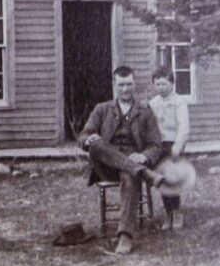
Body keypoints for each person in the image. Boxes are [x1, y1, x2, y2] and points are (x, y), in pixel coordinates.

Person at [78, 65, 166, 255]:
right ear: (114, 86)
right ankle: (144, 173)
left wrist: (144, 156)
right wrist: (87, 140)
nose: (125, 89)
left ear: (134, 85)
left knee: (130, 175)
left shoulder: (145, 111)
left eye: (129, 84)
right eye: (121, 85)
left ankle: (125, 236)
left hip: (130, 166)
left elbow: (156, 144)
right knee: (96, 145)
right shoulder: (102, 109)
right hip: (106, 166)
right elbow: (83, 136)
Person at [148, 66, 191, 230]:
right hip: (159, 145)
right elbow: (149, 126)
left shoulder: (179, 102)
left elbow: (184, 127)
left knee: (173, 179)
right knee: (163, 180)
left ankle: (177, 212)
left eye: (164, 84)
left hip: (174, 145)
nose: (161, 88)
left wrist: (178, 146)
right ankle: (168, 214)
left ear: (172, 84)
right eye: (157, 84)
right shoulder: (153, 103)